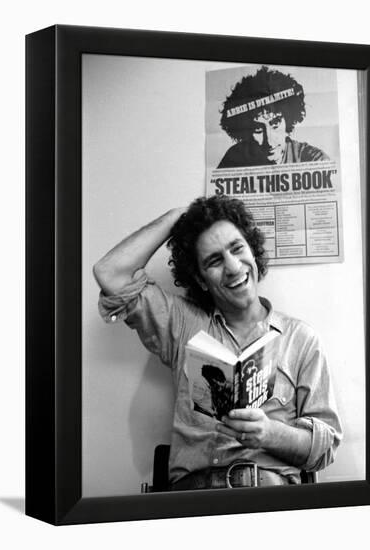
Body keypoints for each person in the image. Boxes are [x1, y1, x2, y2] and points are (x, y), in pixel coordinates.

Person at [93, 195, 342, 490]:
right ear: (200, 280)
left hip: (269, 500)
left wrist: (269, 433)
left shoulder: (301, 339)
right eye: (214, 261)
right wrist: (179, 216)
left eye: (237, 249)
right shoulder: (181, 322)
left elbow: (326, 446)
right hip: (190, 503)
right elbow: (110, 273)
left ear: (253, 250)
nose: (234, 267)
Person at [217, 66, 329, 168]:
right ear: (245, 131)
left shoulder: (314, 160)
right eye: (258, 129)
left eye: (275, 124)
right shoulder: (234, 158)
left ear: (288, 121)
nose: (269, 142)